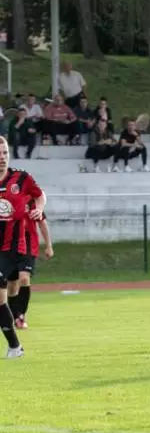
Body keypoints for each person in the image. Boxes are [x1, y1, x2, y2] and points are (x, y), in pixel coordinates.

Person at [0, 137, 46, 358]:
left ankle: (15, 341)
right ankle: (15, 347)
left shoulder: (21, 178)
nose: (2, 158)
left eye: (5, 153)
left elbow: (40, 195)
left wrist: (39, 208)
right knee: (2, 299)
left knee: (12, 290)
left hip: (13, 248)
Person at [9, 198, 53, 330]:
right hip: (9, 245)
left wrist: (49, 246)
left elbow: (42, 223)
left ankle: (21, 316)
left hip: (28, 244)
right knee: (12, 286)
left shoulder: (33, 201)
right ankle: (15, 316)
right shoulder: (6, 198)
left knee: (24, 278)